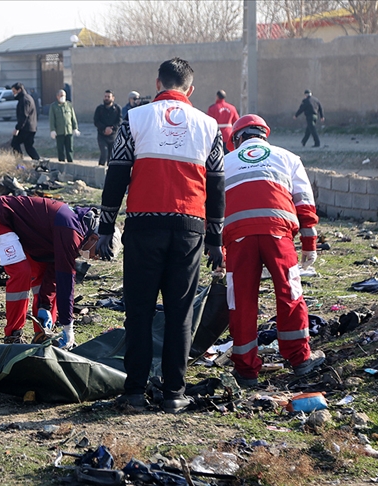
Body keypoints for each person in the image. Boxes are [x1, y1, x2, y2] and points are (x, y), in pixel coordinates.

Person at [96, 58, 225, 414]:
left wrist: (106, 229)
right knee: (179, 313)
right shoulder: (210, 125)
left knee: (138, 311)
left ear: (157, 84)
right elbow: (216, 185)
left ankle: (135, 391)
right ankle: (174, 394)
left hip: (143, 226)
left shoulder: (134, 118)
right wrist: (216, 239)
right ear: (191, 89)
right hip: (190, 230)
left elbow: (117, 174)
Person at [222, 114, 325, 388]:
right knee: (289, 293)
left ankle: (246, 371)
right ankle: (300, 360)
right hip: (278, 234)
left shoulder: (224, 162)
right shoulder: (287, 157)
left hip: (238, 237)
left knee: (240, 301)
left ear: (237, 139)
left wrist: (219, 252)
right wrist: (309, 245)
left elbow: (213, 210)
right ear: (264, 135)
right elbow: (305, 203)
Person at [0, 195, 103, 347]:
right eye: (98, 253)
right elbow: (66, 281)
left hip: (21, 229)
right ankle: (13, 335)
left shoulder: (77, 231)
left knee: (42, 275)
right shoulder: (71, 231)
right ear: (94, 239)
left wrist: (45, 306)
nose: (95, 258)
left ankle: (42, 333)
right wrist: (68, 326)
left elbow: (54, 272)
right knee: (21, 272)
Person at [48, 89, 80, 163]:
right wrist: (52, 130)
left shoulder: (69, 105)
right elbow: (52, 119)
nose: (63, 97)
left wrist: (75, 128)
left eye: (64, 95)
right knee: (60, 149)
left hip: (68, 131)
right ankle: (61, 164)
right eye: (61, 95)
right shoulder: (54, 106)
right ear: (57, 96)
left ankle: (70, 162)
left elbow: (73, 117)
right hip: (59, 132)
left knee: (70, 149)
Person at [10, 82, 40, 160]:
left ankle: (19, 161)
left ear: (19, 90)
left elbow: (24, 116)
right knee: (28, 146)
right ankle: (38, 161)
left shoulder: (24, 100)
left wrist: (17, 128)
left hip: (26, 128)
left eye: (14, 91)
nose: (13, 93)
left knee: (15, 143)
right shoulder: (28, 97)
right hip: (31, 127)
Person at [94, 90, 122, 165]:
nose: (106, 98)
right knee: (104, 153)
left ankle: (109, 172)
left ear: (113, 98)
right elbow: (96, 121)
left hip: (113, 136)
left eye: (108, 97)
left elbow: (119, 121)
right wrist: (104, 128)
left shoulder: (117, 109)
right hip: (102, 135)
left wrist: (112, 128)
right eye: (105, 96)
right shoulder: (100, 109)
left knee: (111, 155)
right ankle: (100, 170)